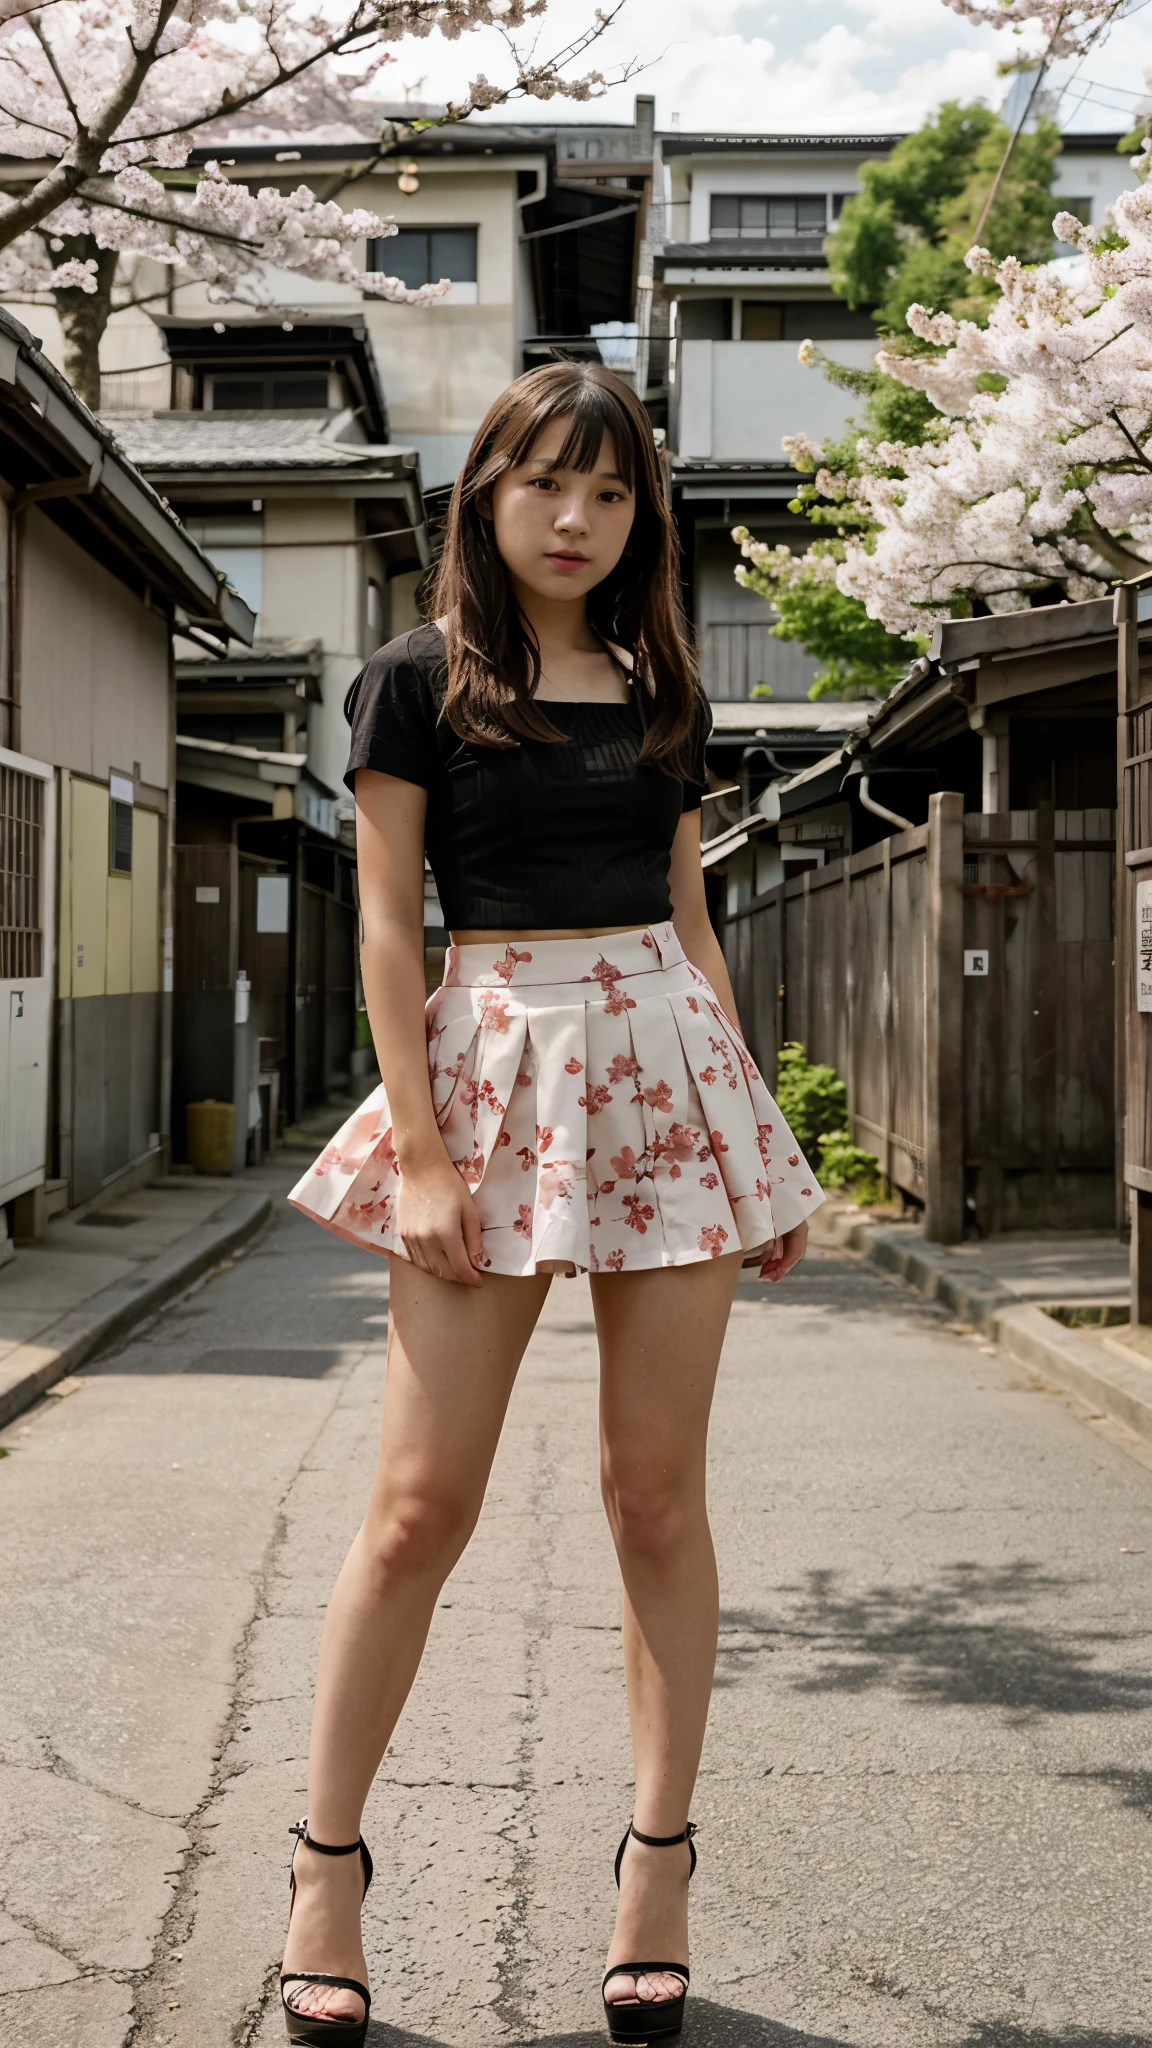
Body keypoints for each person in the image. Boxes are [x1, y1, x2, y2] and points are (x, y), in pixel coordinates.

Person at [280, 361, 823, 2047]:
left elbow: (689, 920)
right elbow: (385, 925)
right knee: (415, 1508)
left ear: (640, 513)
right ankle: (323, 1867)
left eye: (609, 493)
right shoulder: (412, 683)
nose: (577, 520)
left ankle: (655, 1862)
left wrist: (759, 1140)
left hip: (669, 1071)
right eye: (545, 487)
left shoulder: (665, 686)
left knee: (655, 1500)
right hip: (493, 1067)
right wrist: (428, 1158)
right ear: (487, 499)